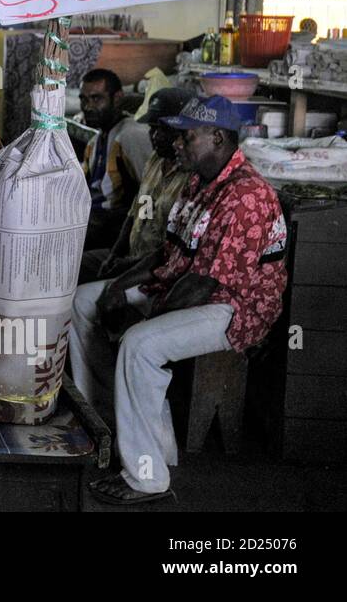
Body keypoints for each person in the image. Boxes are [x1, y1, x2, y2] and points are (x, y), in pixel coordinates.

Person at [69, 96, 287, 506]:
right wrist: (118, 288)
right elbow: (167, 254)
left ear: (218, 138)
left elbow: (207, 283)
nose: (178, 145)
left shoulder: (246, 196)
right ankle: (106, 423)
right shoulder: (199, 181)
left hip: (233, 308)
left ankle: (147, 475)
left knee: (140, 344)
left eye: (188, 138)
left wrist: (139, 320)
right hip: (184, 285)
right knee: (83, 302)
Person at [79, 87, 192, 283]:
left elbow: (173, 254)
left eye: (163, 130)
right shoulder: (156, 161)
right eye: (152, 128)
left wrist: (127, 268)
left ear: (185, 132)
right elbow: (138, 212)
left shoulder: (192, 176)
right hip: (130, 255)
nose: (154, 136)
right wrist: (114, 255)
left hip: (154, 271)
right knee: (71, 265)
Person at [79, 69, 151, 250]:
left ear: (117, 98)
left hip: (110, 226)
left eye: (96, 99)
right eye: (84, 100)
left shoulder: (131, 135)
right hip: (90, 217)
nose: (88, 107)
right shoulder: (95, 140)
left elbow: (149, 194)